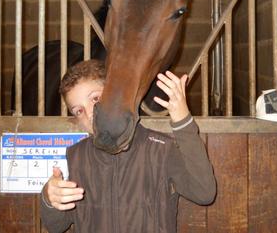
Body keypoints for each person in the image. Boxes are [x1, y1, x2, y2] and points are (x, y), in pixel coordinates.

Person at [40, 59, 216, 233]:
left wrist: (182, 122)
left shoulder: (160, 149)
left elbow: (204, 193)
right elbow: (56, 226)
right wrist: (50, 197)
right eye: (78, 110)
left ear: (116, 94)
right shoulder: (76, 156)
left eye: (95, 98)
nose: (89, 113)